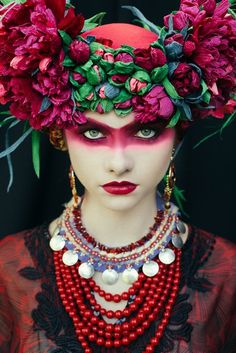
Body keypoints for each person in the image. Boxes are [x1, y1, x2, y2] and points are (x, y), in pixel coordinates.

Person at [0, 0, 236, 352]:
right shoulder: (7, 269)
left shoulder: (227, 275)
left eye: (145, 133)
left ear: (176, 137)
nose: (119, 163)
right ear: (60, 136)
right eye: (94, 134)